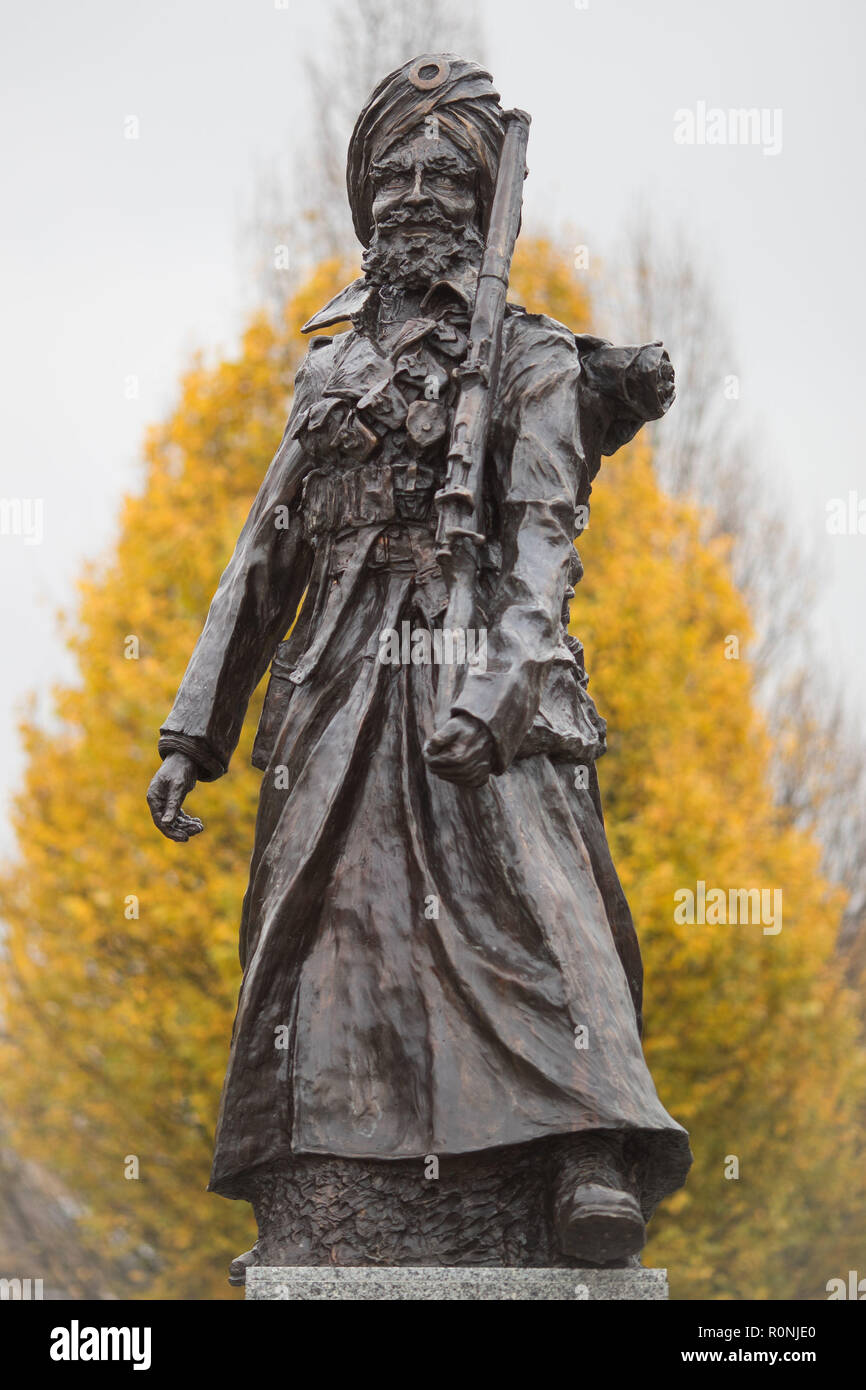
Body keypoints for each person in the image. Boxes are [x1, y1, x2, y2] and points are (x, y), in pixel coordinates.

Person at [147, 54, 691, 1281]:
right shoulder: (327, 371)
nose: (412, 194)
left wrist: (496, 694)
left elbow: (545, 545)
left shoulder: (535, 359)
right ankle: (327, 1178)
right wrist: (196, 733)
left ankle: (585, 1156)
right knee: (325, 942)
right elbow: (265, 556)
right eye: (390, 172)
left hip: (479, 671)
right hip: (336, 684)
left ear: (481, 195)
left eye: (444, 173)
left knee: (534, 904)